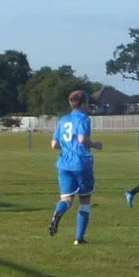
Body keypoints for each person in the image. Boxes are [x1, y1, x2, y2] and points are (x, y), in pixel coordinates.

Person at [49, 89, 102, 244]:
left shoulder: (63, 120)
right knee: (85, 201)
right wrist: (95, 145)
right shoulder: (84, 118)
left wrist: (67, 148)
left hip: (64, 164)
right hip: (81, 163)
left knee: (66, 199)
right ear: (84, 103)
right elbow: (81, 139)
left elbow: (54, 144)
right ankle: (79, 238)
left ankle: (57, 213)